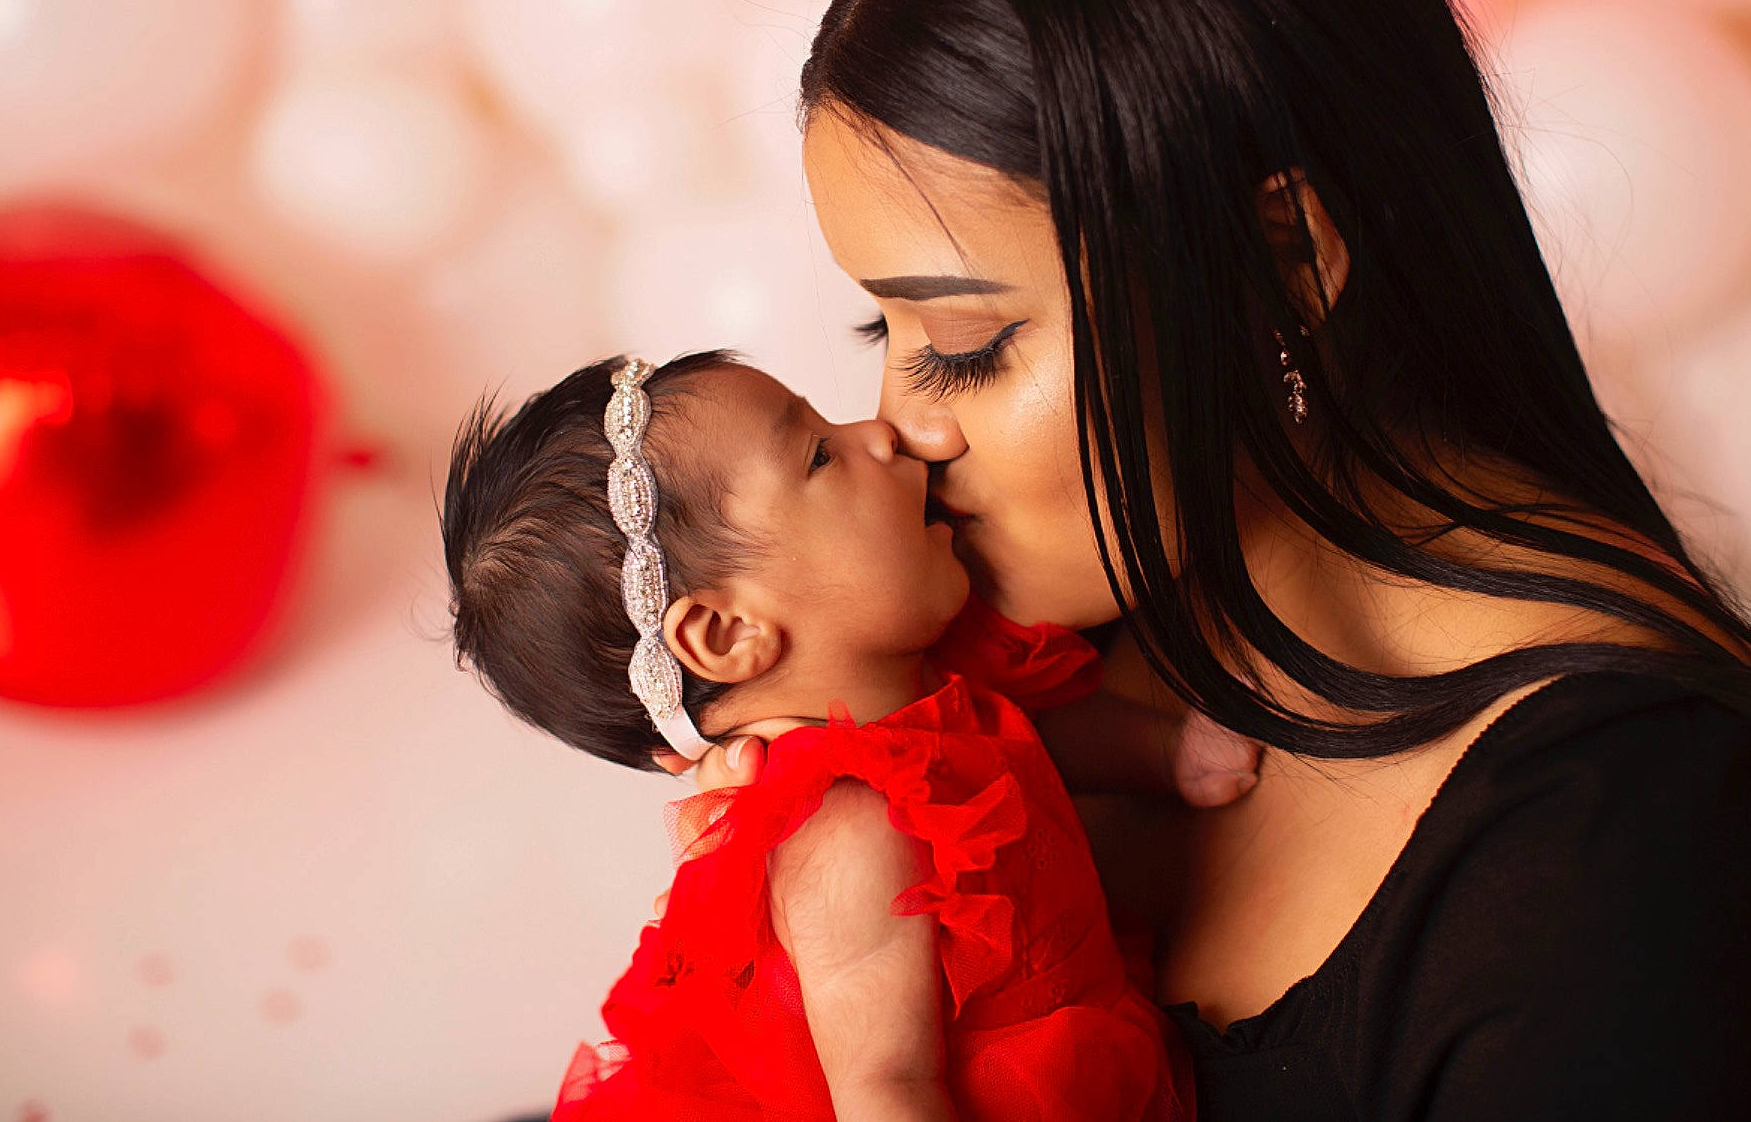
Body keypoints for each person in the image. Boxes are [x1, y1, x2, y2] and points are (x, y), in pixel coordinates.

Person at [663, 0, 1751, 1118]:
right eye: (885, 337)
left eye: (969, 341)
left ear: (1275, 265)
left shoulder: (1653, 849)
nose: (902, 431)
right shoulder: (1043, 658)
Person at [442, 351, 1242, 1118]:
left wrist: (1166, 754)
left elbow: (1021, 735)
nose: (882, 432)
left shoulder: (922, 675)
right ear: (726, 631)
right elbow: (885, 1088)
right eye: (822, 454)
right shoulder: (845, 824)